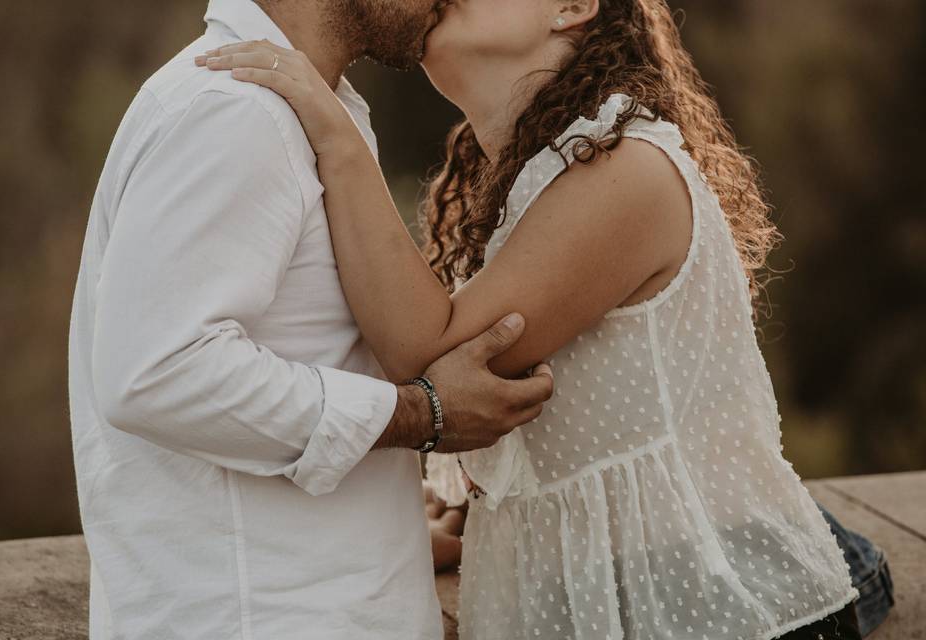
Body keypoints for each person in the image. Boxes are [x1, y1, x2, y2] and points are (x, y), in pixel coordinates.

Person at [199, 0, 880, 638]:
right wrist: (476, 509)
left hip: (730, 600)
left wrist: (336, 133)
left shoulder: (627, 168)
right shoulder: (529, 175)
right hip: (613, 591)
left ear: (574, 4)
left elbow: (430, 355)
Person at [67, 0, 556, 638]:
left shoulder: (294, 106)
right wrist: (422, 413)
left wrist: (401, 531)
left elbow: (306, 349)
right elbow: (156, 374)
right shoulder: (237, 111)